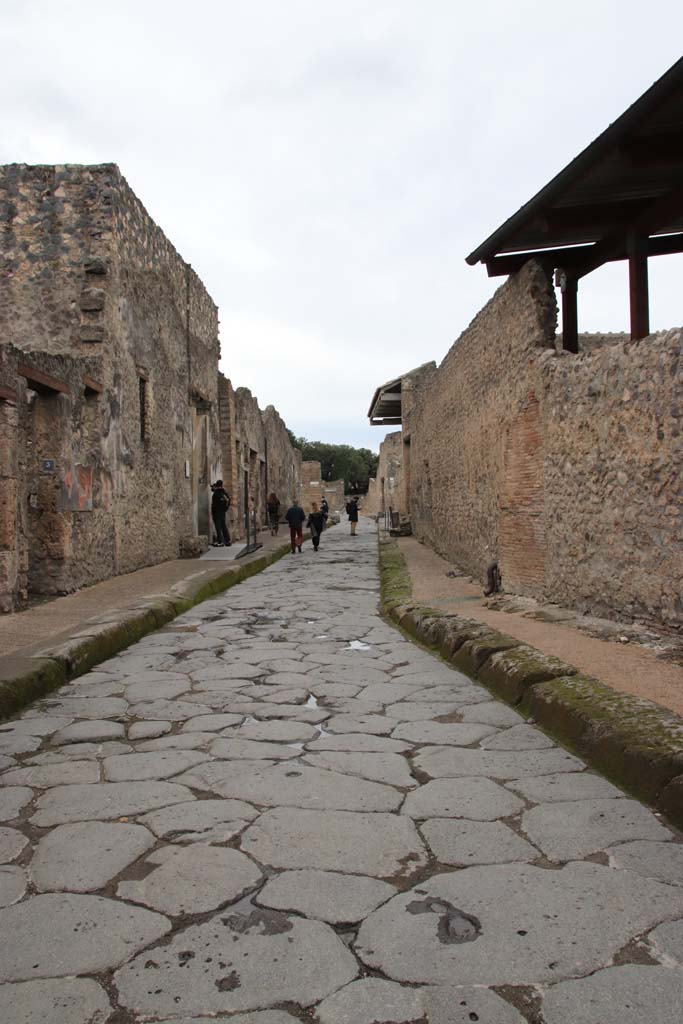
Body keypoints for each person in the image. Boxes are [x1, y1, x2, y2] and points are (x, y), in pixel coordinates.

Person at [211, 480, 231, 547]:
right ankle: (227, 540)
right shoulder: (224, 492)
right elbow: (228, 501)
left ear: (216, 485)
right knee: (223, 526)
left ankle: (220, 541)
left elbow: (214, 503)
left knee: (218, 527)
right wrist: (225, 510)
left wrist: (214, 511)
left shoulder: (216, 493)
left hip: (217, 512)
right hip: (222, 512)